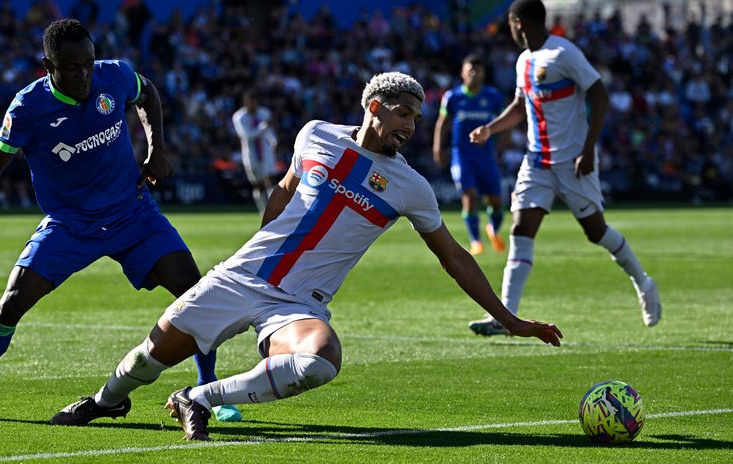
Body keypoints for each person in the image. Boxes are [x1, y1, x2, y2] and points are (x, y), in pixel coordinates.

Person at [50, 72, 563, 440]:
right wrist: (260, 244)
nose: (410, 125)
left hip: (297, 303)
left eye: (416, 117)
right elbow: (284, 189)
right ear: (374, 107)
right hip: (242, 276)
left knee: (318, 362)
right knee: (147, 358)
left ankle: (198, 398)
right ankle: (104, 402)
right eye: (403, 113)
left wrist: (508, 319)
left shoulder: (411, 186)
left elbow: (453, 256)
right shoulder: (316, 134)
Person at [0, 19, 241, 424]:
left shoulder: (113, 76)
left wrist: (156, 148)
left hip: (132, 213)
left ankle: (208, 391)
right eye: (72, 67)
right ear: (48, 66)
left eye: (88, 63)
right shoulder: (27, 108)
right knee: (11, 302)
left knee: (195, 294)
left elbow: (147, 92)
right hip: (70, 224)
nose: (84, 74)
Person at [467, 0, 661, 336]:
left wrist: (588, 149)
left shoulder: (563, 53)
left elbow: (599, 95)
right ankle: (506, 316)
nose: (509, 31)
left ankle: (643, 282)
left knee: (595, 231)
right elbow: (519, 106)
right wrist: (490, 129)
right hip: (537, 162)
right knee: (520, 231)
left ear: (519, 22)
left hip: (572, 162)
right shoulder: (524, 61)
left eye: (510, 24)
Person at [433, 54, 506, 256]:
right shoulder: (453, 97)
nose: (474, 73)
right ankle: (476, 241)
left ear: (483, 74)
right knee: (470, 196)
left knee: (496, 202)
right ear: (462, 73)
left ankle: (493, 229)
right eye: (470, 69)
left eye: (478, 70)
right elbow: (442, 123)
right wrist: (438, 148)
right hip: (462, 156)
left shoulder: (493, 96)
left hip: (486, 156)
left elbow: (504, 122)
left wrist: (502, 146)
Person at [232, 90, 279, 214]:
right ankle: (263, 212)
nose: (252, 105)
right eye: (250, 102)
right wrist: (263, 126)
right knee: (258, 185)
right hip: (251, 154)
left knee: (271, 180)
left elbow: (270, 131)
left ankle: (274, 212)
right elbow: (246, 135)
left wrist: (274, 141)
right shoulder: (239, 117)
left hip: (266, 151)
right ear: (245, 103)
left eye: (254, 102)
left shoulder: (264, 113)